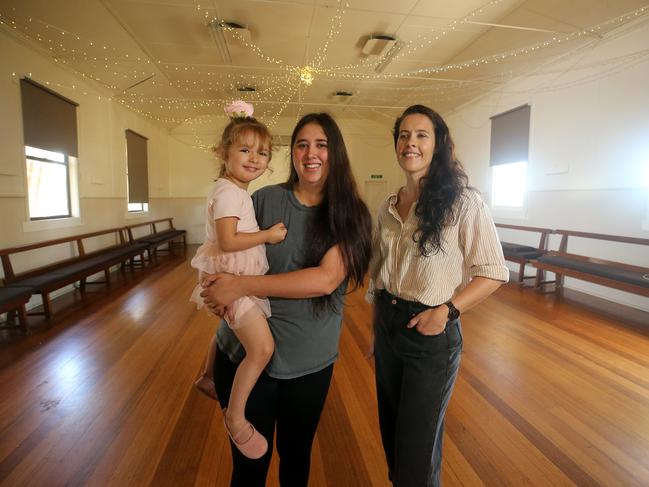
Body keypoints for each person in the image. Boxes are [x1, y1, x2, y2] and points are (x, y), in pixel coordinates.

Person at [200, 112, 372, 486]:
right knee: (248, 468)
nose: (311, 153)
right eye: (301, 144)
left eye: (322, 144)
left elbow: (325, 280)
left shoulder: (351, 214)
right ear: (292, 153)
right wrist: (215, 289)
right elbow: (226, 251)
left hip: (306, 362)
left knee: (295, 459)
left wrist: (240, 286)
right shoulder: (263, 198)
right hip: (243, 352)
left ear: (335, 152)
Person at [367, 104, 509, 487]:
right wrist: (377, 329)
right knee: (393, 439)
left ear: (438, 144)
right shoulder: (388, 206)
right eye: (403, 135)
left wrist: (448, 310)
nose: (410, 143)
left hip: (430, 333)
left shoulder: (463, 202)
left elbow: (494, 271)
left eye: (421, 135)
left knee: (417, 449)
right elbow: (379, 272)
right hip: (387, 326)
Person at [189, 100, 288, 459]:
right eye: (244, 149)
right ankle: (235, 417)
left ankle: (208, 376)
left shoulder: (230, 189)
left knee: (233, 328)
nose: (254, 158)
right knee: (262, 348)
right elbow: (229, 240)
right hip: (235, 276)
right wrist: (268, 235)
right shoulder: (230, 192)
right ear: (224, 152)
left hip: (233, 272)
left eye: (261, 153)